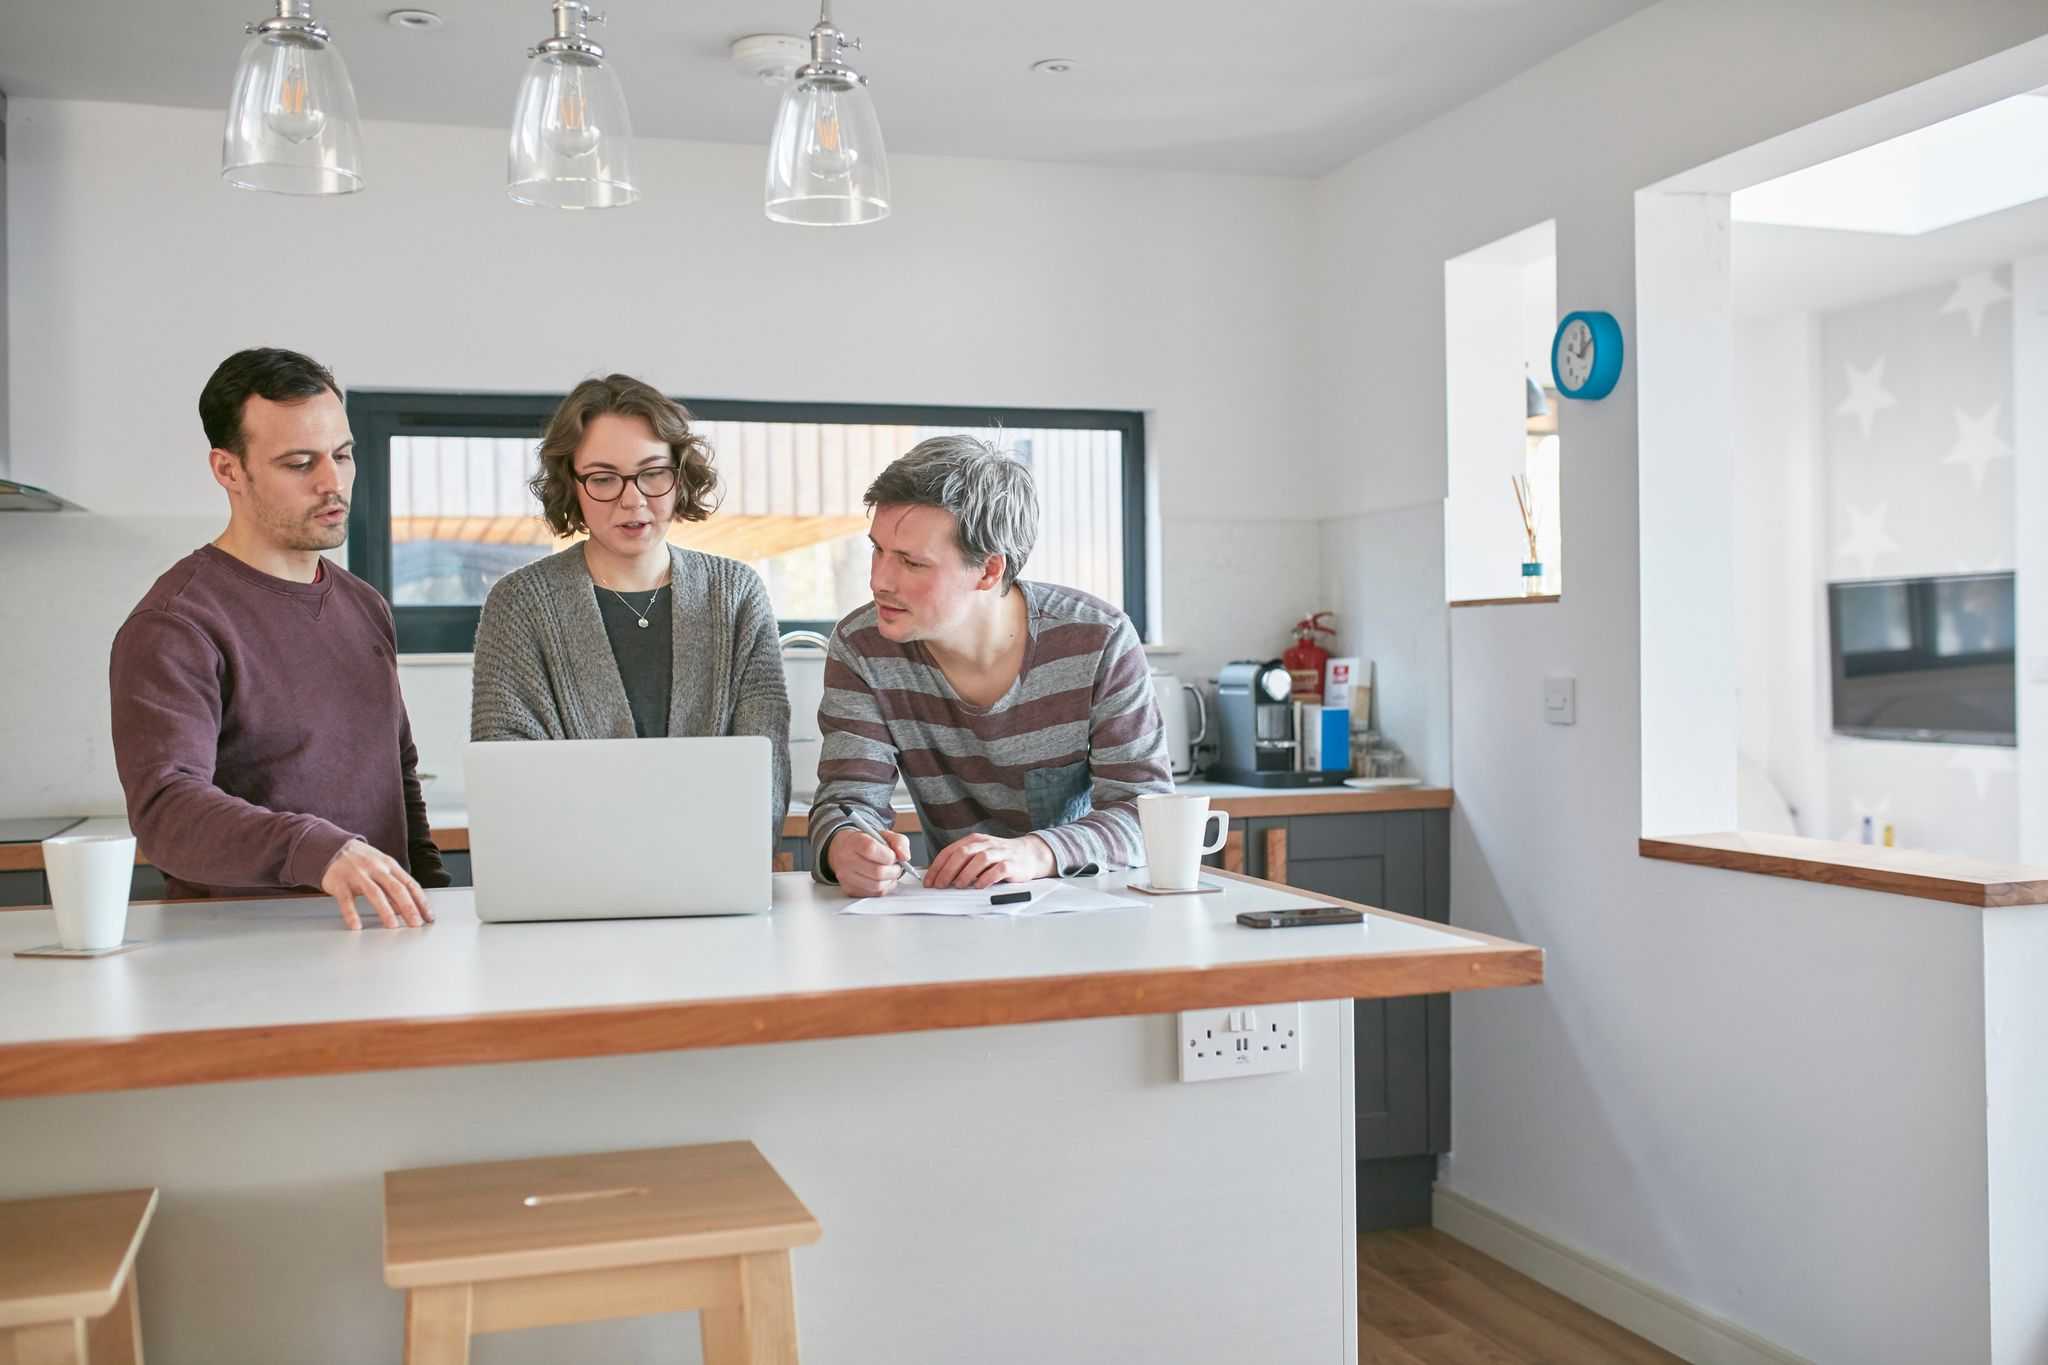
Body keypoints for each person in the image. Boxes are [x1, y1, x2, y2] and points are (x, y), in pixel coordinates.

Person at [109, 348, 446, 928]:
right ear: (228, 469)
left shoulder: (363, 605)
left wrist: (435, 895)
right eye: (298, 463)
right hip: (244, 956)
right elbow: (166, 811)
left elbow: (399, 779)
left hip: (380, 940)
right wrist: (320, 850)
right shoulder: (176, 623)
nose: (332, 482)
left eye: (342, 455)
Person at [809, 435, 1172, 895]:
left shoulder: (1098, 640)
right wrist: (844, 846)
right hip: (953, 913)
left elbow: (1147, 814)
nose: (879, 580)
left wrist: (1036, 852)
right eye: (877, 550)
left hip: (1086, 909)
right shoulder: (862, 647)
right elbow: (846, 801)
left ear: (989, 571)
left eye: (912, 563)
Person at [468, 375, 791, 843]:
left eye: (653, 473)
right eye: (602, 478)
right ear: (571, 485)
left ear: (679, 475)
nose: (633, 499)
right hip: (572, 886)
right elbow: (508, 781)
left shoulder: (736, 594)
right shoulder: (519, 604)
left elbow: (765, 776)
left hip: (715, 878)